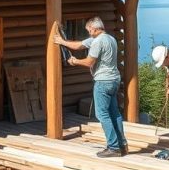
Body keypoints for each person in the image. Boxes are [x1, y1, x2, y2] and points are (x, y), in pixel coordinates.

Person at [53, 16, 126, 158]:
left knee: (102, 114)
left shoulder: (98, 42)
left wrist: (75, 61)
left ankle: (113, 147)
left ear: (94, 28)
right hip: (114, 80)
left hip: (103, 81)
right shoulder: (110, 39)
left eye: (89, 29)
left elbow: (89, 62)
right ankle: (122, 145)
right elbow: (79, 45)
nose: (88, 32)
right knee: (114, 112)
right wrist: (62, 41)